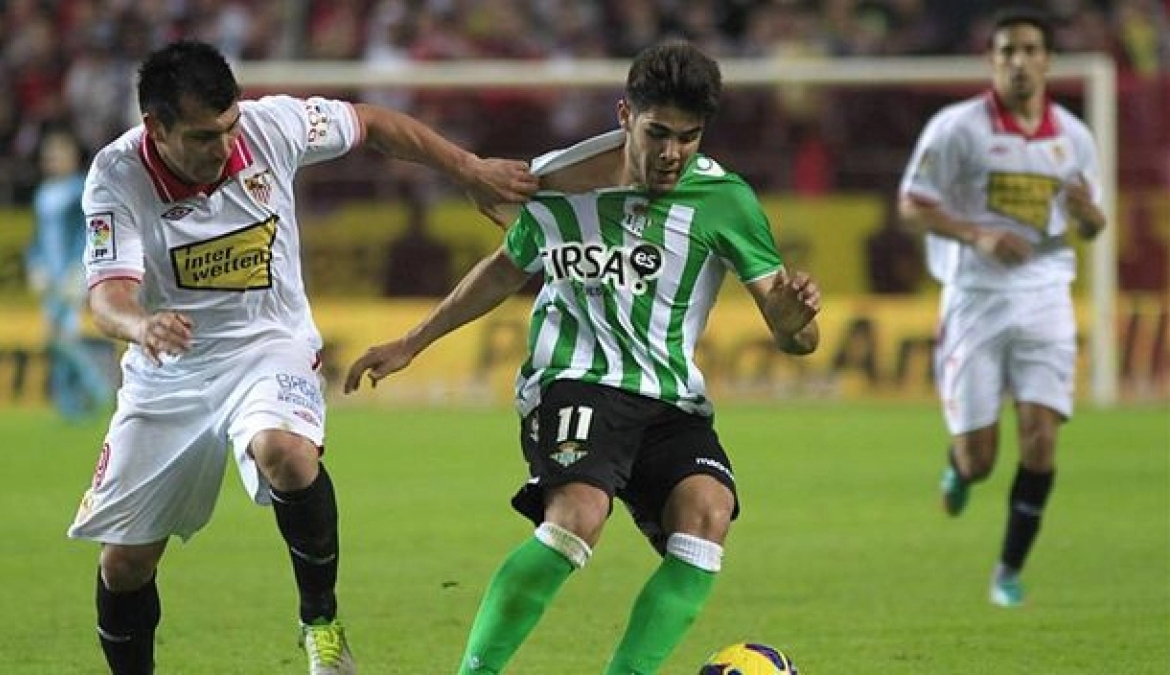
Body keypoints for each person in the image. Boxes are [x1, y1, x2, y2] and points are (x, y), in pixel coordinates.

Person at [344, 41, 822, 674]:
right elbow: (505, 268)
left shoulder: (725, 200)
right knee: (579, 514)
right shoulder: (557, 183)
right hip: (574, 378)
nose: (672, 153)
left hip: (670, 398)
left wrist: (792, 323)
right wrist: (413, 341)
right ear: (625, 115)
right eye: (658, 133)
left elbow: (795, 337)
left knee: (707, 514)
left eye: (688, 137)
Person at [66, 39, 537, 675]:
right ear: (156, 127)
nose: (225, 146)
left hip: (270, 344)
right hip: (169, 369)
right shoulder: (117, 175)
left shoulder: (273, 126)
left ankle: (322, 625)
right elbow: (108, 297)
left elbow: (372, 122)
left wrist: (469, 169)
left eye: (230, 127)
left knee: (284, 451)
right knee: (124, 565)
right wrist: (141, 324)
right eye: (205, 136)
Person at [898, 8, 1107, 608]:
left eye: (1030, 50)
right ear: (992, 60)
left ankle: (1008, 572)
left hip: (1046, 297)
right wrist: (976, 235)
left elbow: (1092, 225)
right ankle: (959, 468)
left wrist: (1091, 217)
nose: (1019, 62)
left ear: (1048, 60)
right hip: (975, 299)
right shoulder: (956, 128)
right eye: (1007, 51)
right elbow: (912, 206)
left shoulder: (1075, 137)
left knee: (1041, 438)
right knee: (981, 457)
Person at [27, 127, 114, 419]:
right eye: (48, 155)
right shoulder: (42, 193)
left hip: (72, 276)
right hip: (50, 278)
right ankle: (69, 406)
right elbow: (37, 237)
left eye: (58, 154)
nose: (52, 160)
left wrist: (80, 268)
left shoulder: (81, 189)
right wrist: (35, 264)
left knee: (63, 336)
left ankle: (100, 391)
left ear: (73, 156)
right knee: (54, 339)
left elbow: (89, 231)